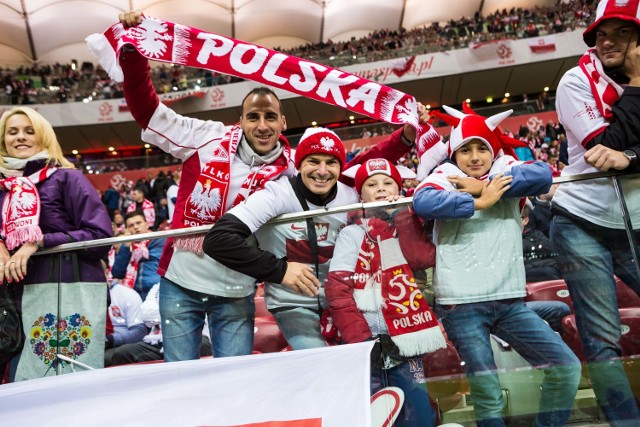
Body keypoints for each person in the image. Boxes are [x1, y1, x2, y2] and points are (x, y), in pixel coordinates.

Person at [117, 11, 419, 360]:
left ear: (282, 122)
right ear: (241, 120)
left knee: (237, 380)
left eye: (270, 116)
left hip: (237, 288)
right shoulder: (205, 138)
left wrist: (405, 136)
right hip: (181, 282)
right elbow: (148, 111)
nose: (262, 125)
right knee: (183, 380)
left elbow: (349, 168)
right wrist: (134, 53)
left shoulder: (292, 168)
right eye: (254, 117)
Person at [412, 106, 581, 427]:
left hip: (508, 301)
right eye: (466, 149)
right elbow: (423, 202)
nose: (475, 157)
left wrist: (484, 183)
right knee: (488, 395)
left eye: (481, 148)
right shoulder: (444, 175)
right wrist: (480, 201)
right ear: (454, 153)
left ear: (492, 150)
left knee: (566, 367)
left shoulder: (505, 165)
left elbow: (543, 175)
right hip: (460, 304)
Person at [203, 127, 417, 350]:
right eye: (313, 161)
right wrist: (279, 270)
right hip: (293, 304)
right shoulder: (277, 194)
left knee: (367, 358)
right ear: (299, 164)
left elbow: (386, 233)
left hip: (345, 302)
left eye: (331, 162)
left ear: (340, 166)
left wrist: (395, 205)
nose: (322, 171)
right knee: (323, 360)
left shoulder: (351, 196)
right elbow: (218, 239)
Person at [552, 1, 640, 424]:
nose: (607, 42)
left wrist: (632, 156)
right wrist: (639, 84)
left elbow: (624, 152)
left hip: (635, 221)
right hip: (581, 223)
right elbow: (605, 147)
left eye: (621, 33)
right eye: (601, 34)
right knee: (603, 340)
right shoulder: (575, 80)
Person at [325, 158, 446, 427]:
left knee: (420, 415)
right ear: (360, 194)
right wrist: (362, 340)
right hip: (367, 342)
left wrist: (401, 215)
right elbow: (338, 290)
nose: (380, 188)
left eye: (387, 182)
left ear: (399, 188)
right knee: (377, 417)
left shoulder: (408, 224)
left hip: (406, 339)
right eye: (372, 184)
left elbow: (421, 258)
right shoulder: (352, 234)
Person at [0, 107, 113, 380]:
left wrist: (38, 241)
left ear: (44, 136)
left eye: (29, 131)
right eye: (12, 132)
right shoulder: (2, 187)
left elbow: (101, 237)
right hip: (11, 301)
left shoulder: (66, 177)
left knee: (67, 389)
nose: (20, 137)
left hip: (65, 292)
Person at [106, 283, 213, 366]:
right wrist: (181, 312)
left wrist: (168, 313)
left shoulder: (199, 286)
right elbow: (146, 314)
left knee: (198, 346)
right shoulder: (158, 287)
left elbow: (198, 314)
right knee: (123, 353)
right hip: (157, 340)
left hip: (195, 338)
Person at [111, 211, 165, 301]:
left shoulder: (160, 240)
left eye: (138, 223)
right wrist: (125, 247)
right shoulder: (128, 247)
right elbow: (117, 273)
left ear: (147, 224)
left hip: (158, 292)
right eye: (131, 225)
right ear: (127, 230)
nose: (136, 227)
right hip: (135, 296)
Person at [104, 280, 147, 366]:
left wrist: (110, 340)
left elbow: (139, 332)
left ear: (107, 273)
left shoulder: (127, 294)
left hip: (117, 345)